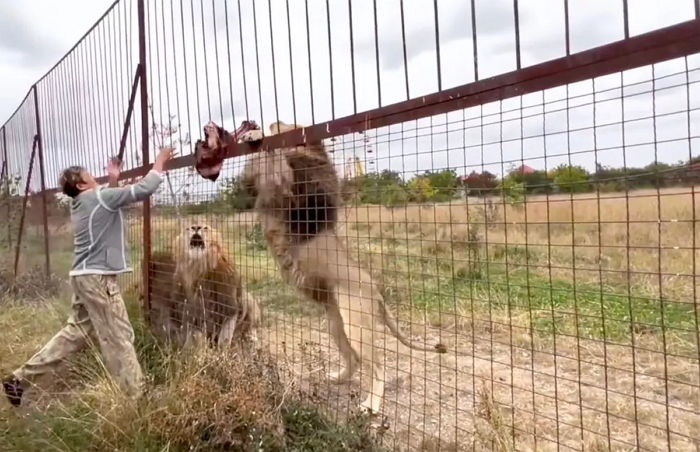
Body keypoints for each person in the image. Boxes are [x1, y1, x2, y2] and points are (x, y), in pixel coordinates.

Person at [2, 146, 175, 407]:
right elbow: (142, 190)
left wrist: (113, 176)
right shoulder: (96, 197)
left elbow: (107, 201)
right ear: (82, 184)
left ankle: (19, 380)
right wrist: (160, 162)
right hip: (97, 280)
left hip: (83, 276)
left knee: (75, 333)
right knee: (119, 336)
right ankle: (138, 397)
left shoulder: (81, 202)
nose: (95, 176)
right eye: (90, 174)